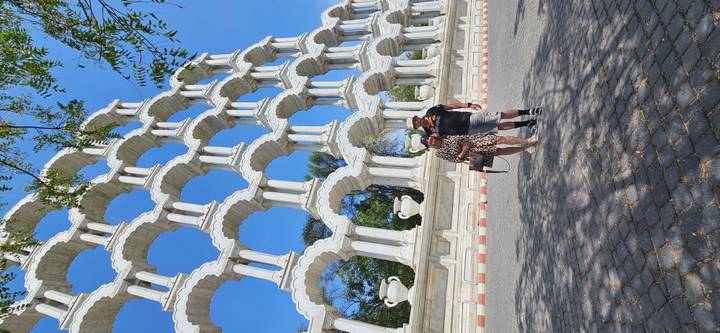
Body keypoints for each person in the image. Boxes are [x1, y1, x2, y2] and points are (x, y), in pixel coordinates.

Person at [411, 102, 542, 136]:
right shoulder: (429, 133)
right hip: (468, 132)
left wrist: (468, 105)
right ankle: (527, 123)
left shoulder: (430, 111)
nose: (417, 122)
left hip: (469, 118)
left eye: (415, 119)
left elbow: (450, 106)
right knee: (498, 127)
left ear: (417, 117)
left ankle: (529, 111)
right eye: (415, 124)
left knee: (498, 115)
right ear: (417, 128)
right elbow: (443, 140)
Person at [424, 132, 537, 170]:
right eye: (429, 142)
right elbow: (456, 160)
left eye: (430, 138)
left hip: (476, 140)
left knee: (501, 139)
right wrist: (463, 151)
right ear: (430, 145)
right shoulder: (439, 153)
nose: (432, 141)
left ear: (432, 136)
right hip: (474, 153)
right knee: (499, 151)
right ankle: (525, 149)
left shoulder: (443, 135)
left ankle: (528, 140)